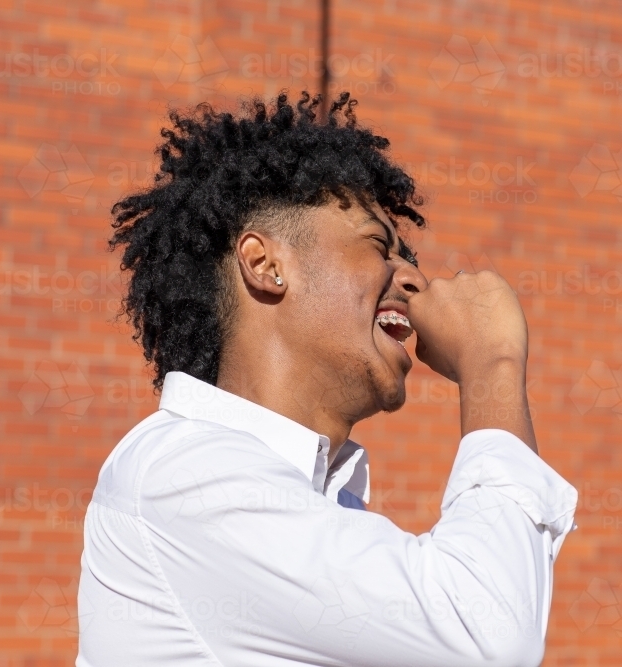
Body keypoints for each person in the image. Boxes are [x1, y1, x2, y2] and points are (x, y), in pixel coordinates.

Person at [77, 91, 577, 666]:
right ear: (266, 265)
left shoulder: (312, 500)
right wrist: (494, 366)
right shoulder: (184, 474)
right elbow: (486, 633)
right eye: (376, 245)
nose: (411, 277)